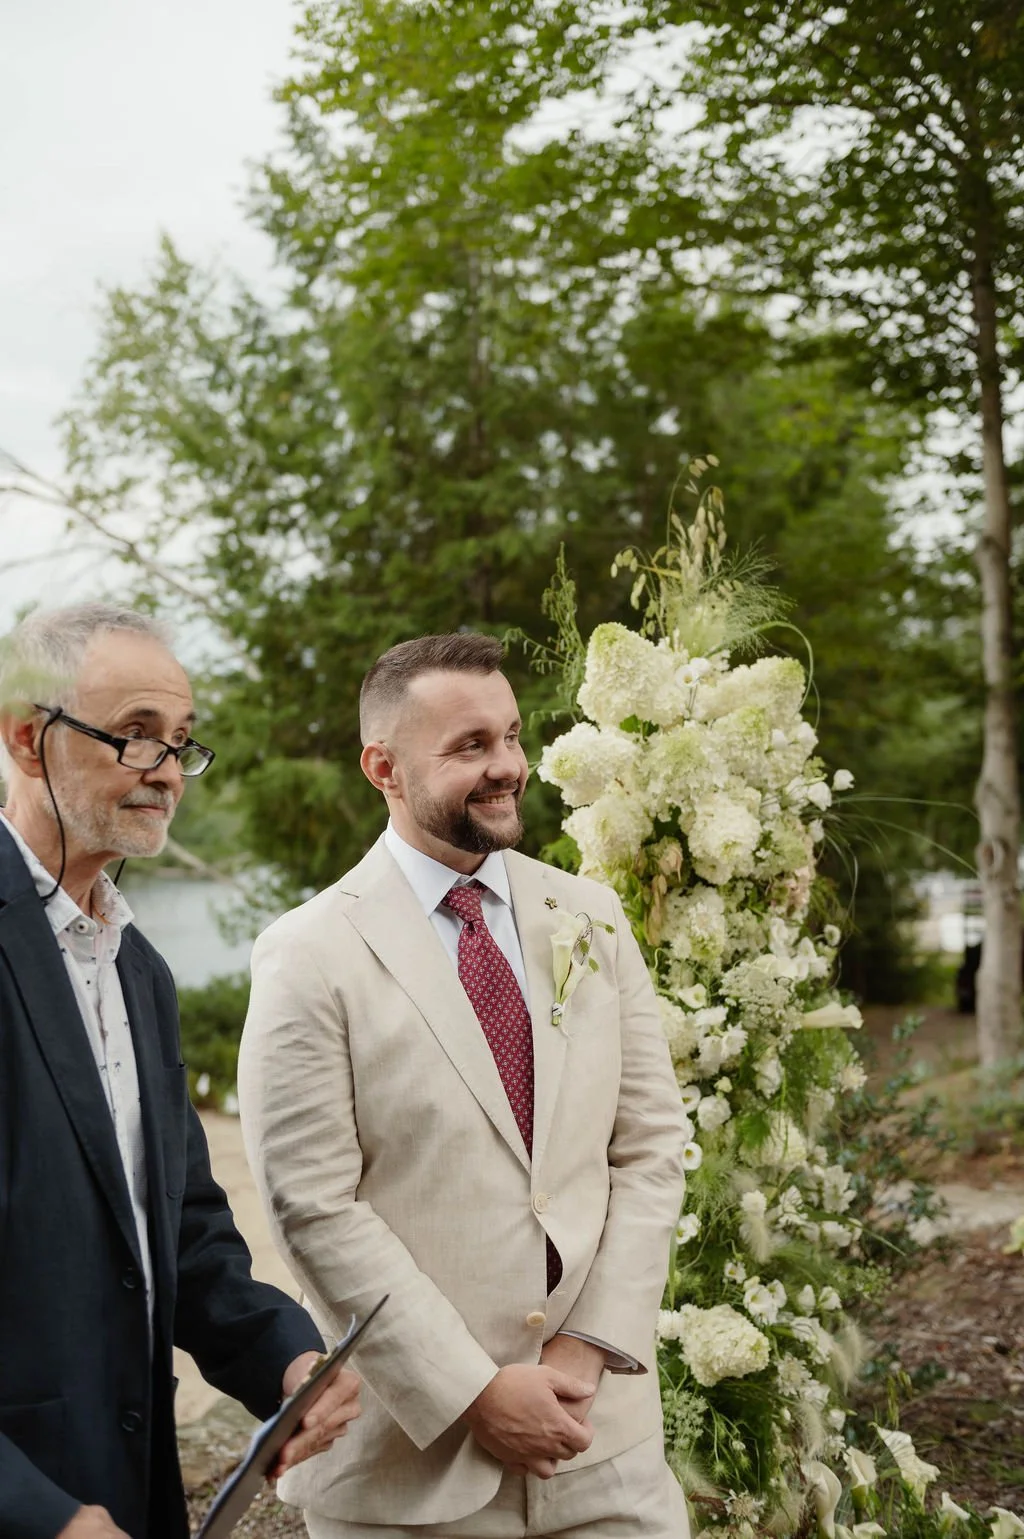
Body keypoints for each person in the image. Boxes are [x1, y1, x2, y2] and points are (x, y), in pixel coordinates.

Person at [238, 633, 690, 1539]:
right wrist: (474, 1390)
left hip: (602, 1449)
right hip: (411, 1474)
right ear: (384, 767)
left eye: (513, 736)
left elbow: (649, 1149)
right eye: (470, 746)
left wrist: (584, 1347)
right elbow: (311, 1206)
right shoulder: (308, 953)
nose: (508, 767)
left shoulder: (590, 917)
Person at [0, 604, 361, 1539]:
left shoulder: (137, 968)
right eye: (135, 736)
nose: (168, 771)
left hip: (135, 1494)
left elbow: (183, 1226)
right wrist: (42, 1517)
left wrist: (282, 1362)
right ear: (27, 738)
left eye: (182, 741)